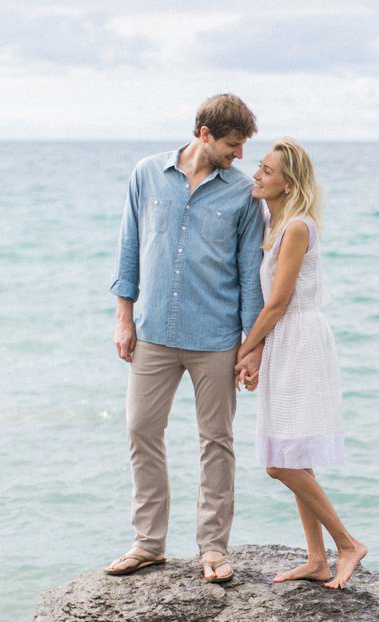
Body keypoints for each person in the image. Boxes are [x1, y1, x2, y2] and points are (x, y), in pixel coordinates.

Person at [104, 94, 265, 583]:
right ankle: (148, 543)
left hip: (216, 337)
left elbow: (249, 272)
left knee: (216, 440)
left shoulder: (242, 195)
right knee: (140, 431)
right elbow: (129, 247)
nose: (239, 156)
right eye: (233, 145)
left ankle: (213, 548)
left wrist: (251, 346)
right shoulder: (147, 173)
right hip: (152, 331)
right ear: (204, 133)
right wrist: (123, 318)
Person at [235, 140, 367, 589]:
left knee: (281, 461)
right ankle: (317, 559)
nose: (257, 175)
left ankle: (347, 544)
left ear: (288, 182)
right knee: (296, 456)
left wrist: (244, 350)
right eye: (259, 166)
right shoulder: (276, 223)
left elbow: (276, 304)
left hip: (298, 338)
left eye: (267, 170)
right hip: (287, 339)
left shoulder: (295, 228)